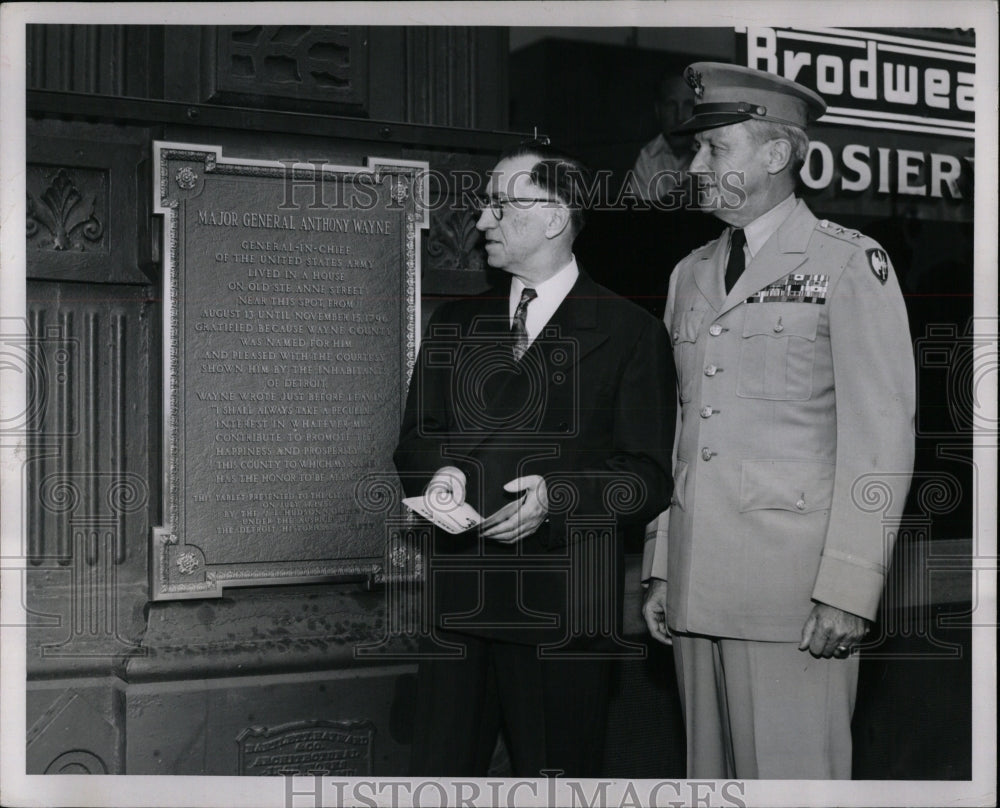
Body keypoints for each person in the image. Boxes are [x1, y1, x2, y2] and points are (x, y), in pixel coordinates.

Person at [641, 63, 916, 779]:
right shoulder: (688, 273)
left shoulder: (849, 264)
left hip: (794, 601)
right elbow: (684, 433)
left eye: (714, 150)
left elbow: (880, 440)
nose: (695, 166)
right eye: (695, 151)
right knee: (712, 783)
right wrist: (663, 566)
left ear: (775, 154)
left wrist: (849, 589)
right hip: (698, 590)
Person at [394, 142, 675, 777]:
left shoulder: (630, 331)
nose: (482, 220)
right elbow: (416, 435)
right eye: (486, 205)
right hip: (457, 603)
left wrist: (557, 497)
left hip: (562, 612)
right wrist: (438, 474)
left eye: (499, 204)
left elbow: (649, 477)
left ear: (554, 216)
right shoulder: (455, 324)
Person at [629, 71, 695, 201]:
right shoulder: (647, 157)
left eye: (688, 105)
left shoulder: (717, 152)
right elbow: (639, 218)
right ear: (658, 111)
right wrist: (677, 196)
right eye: (671, 105)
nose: (680, 117)